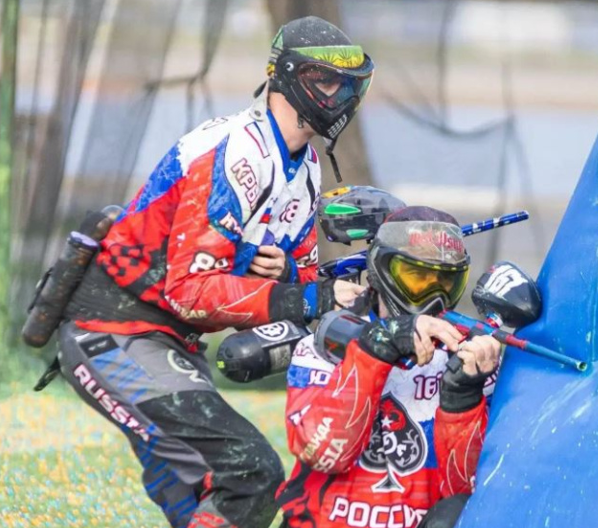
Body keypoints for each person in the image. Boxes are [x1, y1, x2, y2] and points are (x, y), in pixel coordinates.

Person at [54, 15, 374, 528]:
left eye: (350, 85)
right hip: (112, 333)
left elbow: (304, 280)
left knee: (209, 494)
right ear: (291, 78)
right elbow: (188, 291)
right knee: (249, 474)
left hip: (171, 344)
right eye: (329, 82)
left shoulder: (306, 168)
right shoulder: (235, 152)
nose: (344, 97)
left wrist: (296, 278)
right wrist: (308, 297)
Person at [276, 206, 501, 528]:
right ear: (382, 271)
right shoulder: (323, 346)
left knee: (453, 513)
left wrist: (462, 399)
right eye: (418, 279)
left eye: (446, 283)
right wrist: (375, 350)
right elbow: (322, 454)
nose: (434, 298)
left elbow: (468, 491)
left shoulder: (470, 360)